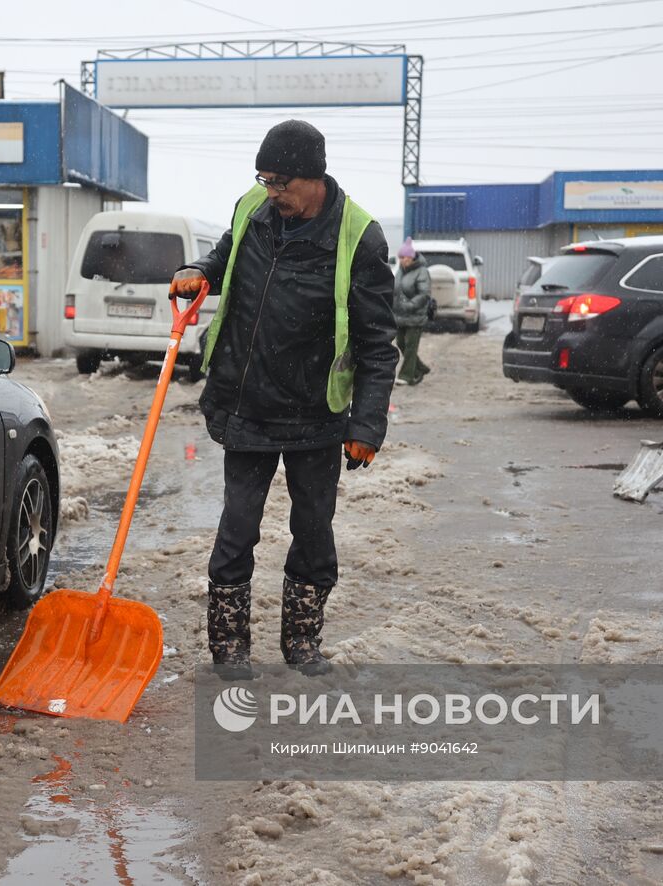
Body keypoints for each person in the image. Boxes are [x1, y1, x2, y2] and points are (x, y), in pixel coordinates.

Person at [169, 120, 396, 678]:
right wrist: (199, 271)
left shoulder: (358, 237)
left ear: (313, 178)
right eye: (264, 180)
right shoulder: (253, 207)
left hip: (316, 414)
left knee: (314, 530)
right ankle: (228, 648)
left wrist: (366, 428)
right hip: (246, 402)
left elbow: (377, 344)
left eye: (280, 182)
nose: (272, 192)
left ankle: (301, 641)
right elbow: (226, 257)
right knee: (237, 528)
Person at [391, 238, 434, 385]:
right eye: (400, 258)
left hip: (415, 316)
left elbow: (424, 293)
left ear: (411, 256)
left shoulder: (422, 272)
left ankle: (406, 376)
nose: (402, 261)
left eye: (404, 257)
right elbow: (395, 290)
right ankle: (420, 368)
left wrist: (410, 305)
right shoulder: (400, 271)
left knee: (410, 346)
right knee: (401, 343)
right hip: (400, 315)